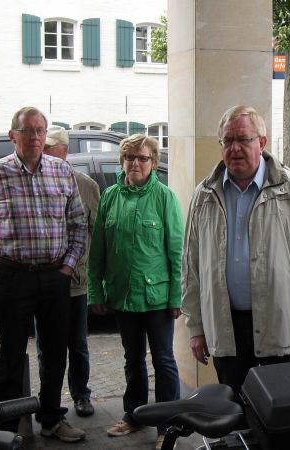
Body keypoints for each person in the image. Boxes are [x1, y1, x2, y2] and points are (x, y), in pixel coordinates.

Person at [182, 105, 290, 399]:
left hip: (281, 330)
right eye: (227, 141)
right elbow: (191, 267)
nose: (235, 148)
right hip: (226, 331)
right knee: (236, 415)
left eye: (243, 139)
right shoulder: (204, 195)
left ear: (262, 142)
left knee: (280, 415)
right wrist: (196, 328)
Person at [0, 106, 87, 443]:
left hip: (54, 278)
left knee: (55, 353)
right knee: (11, 356)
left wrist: (67, 266)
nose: (35, 137)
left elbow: (78, 224)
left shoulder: (62, 172)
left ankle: (50, 419)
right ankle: (7, 430)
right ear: (12, 136)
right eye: (28, 131)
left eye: (40, 131)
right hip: (12, 277)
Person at [87, 134, 183, 449]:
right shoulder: (110, 196)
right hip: (123, 296)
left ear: (153, 162)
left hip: (157, 298)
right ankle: (135, 415)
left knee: (164, 360)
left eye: (143, 158)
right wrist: (96, 292)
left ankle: (168, 424)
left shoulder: (164, 197)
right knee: (132, 359)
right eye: (130, 158)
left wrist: (176, 297)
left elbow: (176, 252)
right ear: (123, 162)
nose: (136, 163)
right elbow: (97, 250)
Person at [38, 127, 100, 417]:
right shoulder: (37, 181)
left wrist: (89, 272)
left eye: (51, 146)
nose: (46, 151)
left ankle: (81, 394)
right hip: (44, 281)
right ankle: (48, 400)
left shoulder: (86, 185)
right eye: (44, 146)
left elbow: (95, 232)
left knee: (77, 343)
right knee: (47, 345)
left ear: (64, 150)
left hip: (76, 280)